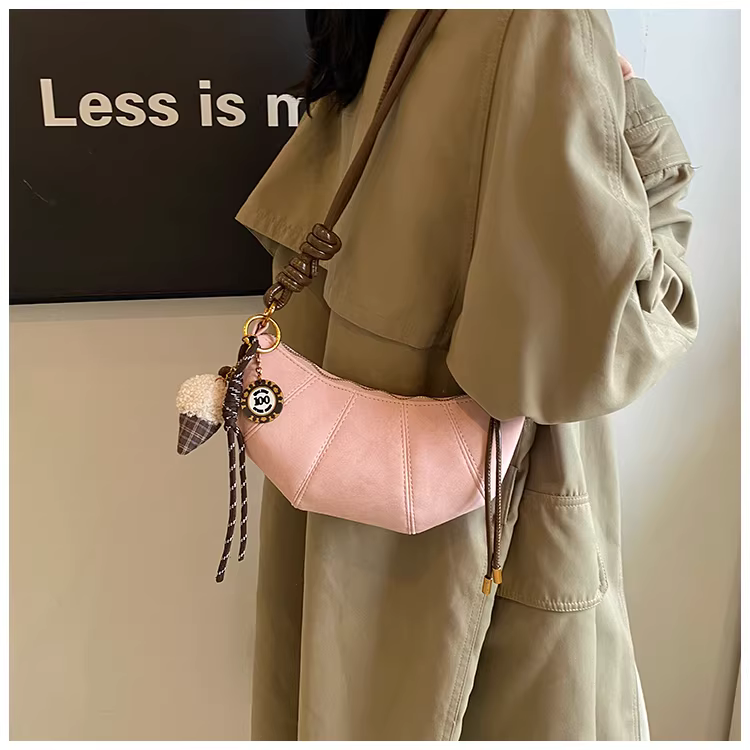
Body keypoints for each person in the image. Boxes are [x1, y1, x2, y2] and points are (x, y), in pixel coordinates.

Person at [236, 9, 697, 741]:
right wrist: (638, 120)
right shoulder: (540, 21)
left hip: (348, 505)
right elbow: (614, 337)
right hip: (484, 540)